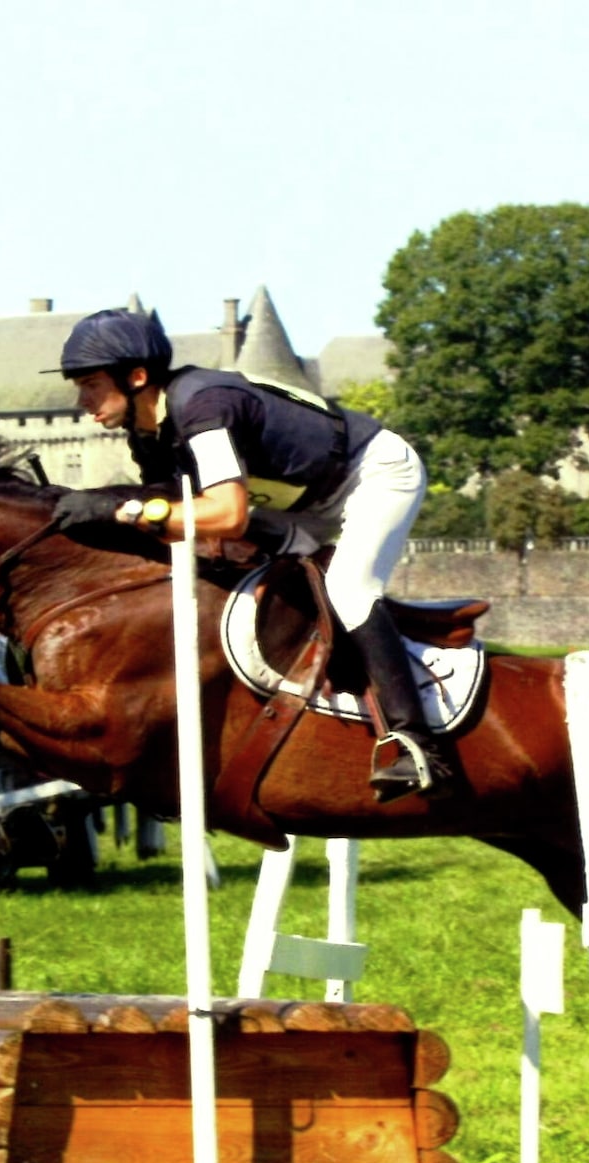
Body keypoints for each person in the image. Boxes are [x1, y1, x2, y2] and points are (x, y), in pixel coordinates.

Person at [46, 308, 452, 801]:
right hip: (301, 507)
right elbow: (174, 516)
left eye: (90, 384)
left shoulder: (203, 405)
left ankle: (417, 742)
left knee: (348, 589)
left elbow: (226, 514)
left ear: (136, 377)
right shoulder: (150, 434)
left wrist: (120, 511)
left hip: (373, 475)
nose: (82, 401)